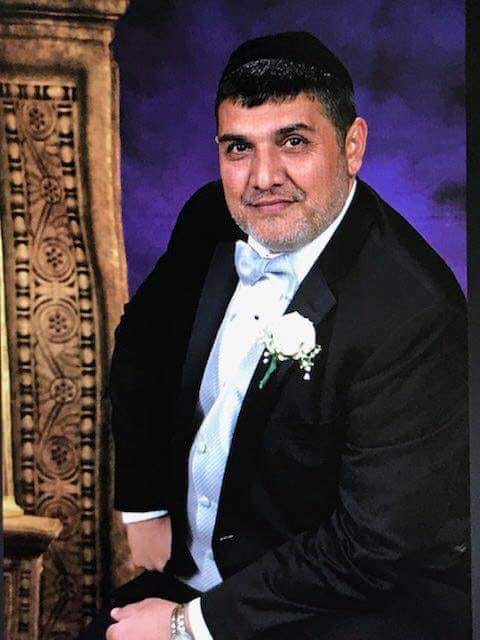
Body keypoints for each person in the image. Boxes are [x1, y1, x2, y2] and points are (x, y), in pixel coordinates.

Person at [80, 31, 469, 640]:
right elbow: (142, 347)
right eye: (239, 147)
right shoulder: (210, 216)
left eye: (293, 141)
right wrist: (144, 502)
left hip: (345, 609)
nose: (263, 178)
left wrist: (187, 625)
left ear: (353, 145)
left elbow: (371, 550)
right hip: (200, 576)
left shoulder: (415, 310)